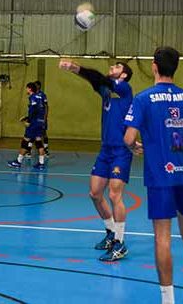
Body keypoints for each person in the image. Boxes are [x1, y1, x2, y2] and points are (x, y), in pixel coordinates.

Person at [124, 47, 183, 304]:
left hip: (162, 177)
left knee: (162, 236)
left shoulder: (143, 98)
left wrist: (136, 147)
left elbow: (128, 137)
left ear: (154, 66)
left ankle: (168, 299)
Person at [59, 59, 133, 261]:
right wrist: (76, 71)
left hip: (121, 151)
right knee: (95, 193)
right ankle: (110, 233)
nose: (113, 68)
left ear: (124, 75)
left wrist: (77, 67)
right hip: (105, 150)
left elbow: (99, 77)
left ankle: (120, 243)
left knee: (115, 194)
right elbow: (94, 80)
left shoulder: (124, 88)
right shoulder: (107, 91)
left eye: (117, 67)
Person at [7, 82, 47, 170]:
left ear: (29, 89)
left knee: (25, 142)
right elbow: (43, 109)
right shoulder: (40, 97)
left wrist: (28, 120)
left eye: (27, 88)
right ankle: (41, 163)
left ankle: (18, 161)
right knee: (39, 142)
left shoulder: (32, 97)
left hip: (34, 123)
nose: (26, 90)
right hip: (40, 122)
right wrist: (27, 117)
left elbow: (33, 110)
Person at [34, 80, 50, 156]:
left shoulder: (43, 95)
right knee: (33, 133)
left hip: (41, 117)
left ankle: (46, 149)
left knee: (44, 133)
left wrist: (45, 117)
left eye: (36, 85)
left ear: (39, 86)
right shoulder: (33, 95)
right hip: (35, 117)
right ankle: (29, 150)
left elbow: (46, 106)